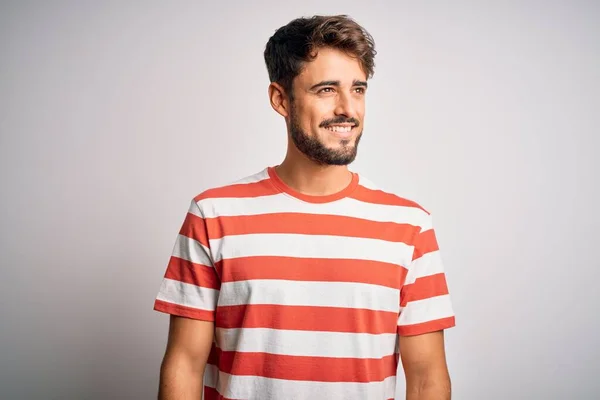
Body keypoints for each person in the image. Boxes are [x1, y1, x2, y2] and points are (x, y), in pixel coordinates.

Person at [154, 14, 456, 400]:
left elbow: (428, 376)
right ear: (281, 99)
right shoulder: (213, 215)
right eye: (327, 89)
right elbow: (184, 363)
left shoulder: (409, 225)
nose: (348, 108)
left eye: (358, 89)